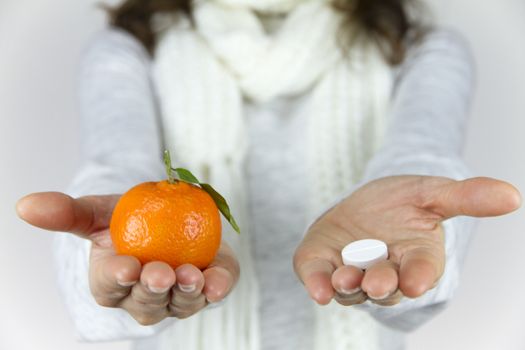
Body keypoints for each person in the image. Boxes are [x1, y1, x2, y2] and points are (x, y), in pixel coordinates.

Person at [16, 0, 521, 349]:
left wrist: (410, 235)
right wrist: (105, 256)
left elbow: (422, 160)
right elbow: (117, 169)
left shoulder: (419, 48)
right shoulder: (131, 47)